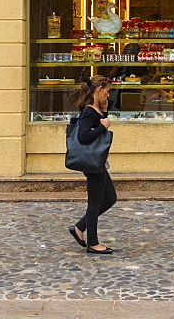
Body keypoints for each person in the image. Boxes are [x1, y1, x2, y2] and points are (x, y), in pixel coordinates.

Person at [68, 75, 117, 255]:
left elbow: (95, 128)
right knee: (95, 203)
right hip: (92, 163)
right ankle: (93, 243)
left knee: (110, 198)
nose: (108, 95)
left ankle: (79, 228)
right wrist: (103, 127)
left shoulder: (95, 109)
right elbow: (84, 136)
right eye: (107, 90)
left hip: (98, 162)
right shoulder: (89, 111)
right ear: (99, 89)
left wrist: (104, 112)